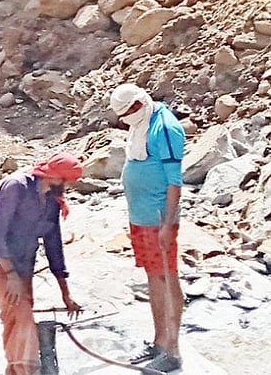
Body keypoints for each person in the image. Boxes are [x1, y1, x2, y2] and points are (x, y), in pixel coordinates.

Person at [0, 151, 84, 375]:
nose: (67, 186)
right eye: (65, 181)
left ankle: (16, 370)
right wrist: (11, 276)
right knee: (21, 315)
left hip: (25, 259)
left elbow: (53, 243)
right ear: (53, 176)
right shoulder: (16, 187)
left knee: (19, 315)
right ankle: (26, 371)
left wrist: (65, 293)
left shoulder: (52, 199)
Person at [110, 83, 186, 374]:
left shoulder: (164, 128)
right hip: (141, 217)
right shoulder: (141, 125)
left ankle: (173, 351)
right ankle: (159, 341)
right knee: (153, 277)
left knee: (167, 277)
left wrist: (167, 224)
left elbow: (174, 181)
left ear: (138, 105)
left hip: (158, 218)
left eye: (128, 112)